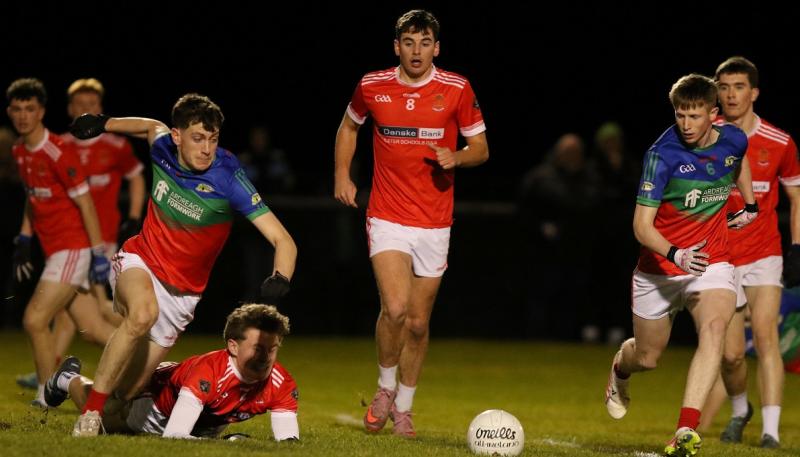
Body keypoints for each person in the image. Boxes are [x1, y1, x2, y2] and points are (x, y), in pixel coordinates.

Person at [68, 93, 297, 437]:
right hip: (141, 260)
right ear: (177, 136)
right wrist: (104, 123)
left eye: (213, 139)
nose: (207, 149)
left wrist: (281, 277)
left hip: (182, 296)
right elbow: (151, 127)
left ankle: (69, 382)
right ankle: (90, 414)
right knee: (142, 314)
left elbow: (283, 240)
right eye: (198, 138)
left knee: (123, 399)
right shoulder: (162, 148)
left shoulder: (227, 177)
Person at [334, 9, 488, 437]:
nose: (416, 51)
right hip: (387, 215)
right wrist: (342, 175)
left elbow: (481, 148)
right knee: (396, 308)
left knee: (418, 323)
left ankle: (404, 407)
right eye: (408, 42)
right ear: (396, 47)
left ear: (436, 48)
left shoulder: (456, 88)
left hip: (435, 222)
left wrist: (457, 157)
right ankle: (385, 387)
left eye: (424, 43)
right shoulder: (372, 85)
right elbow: (348, 128)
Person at [603, 73, 757, 456]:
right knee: (647, 358)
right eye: (680, 115)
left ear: (713, 114)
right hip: (659, 269)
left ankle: (685, 429)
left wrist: (749, 204)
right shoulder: (662, 155)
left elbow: (738, 162)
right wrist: (676, 253)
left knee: (715, 329)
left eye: (694, 116)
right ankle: (620, 369)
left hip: (711, 260)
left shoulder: (734, 138)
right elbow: (641, 227)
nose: (686, 124)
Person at [15, 77, 146, 390]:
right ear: (70, 108)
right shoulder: (56, 144)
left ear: (100, 107)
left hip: (101, 241)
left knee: (92, 311)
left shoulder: (114, 145)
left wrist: (132, 217)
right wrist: (25, 237)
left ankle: (143, 344)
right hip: (73, 241)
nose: (86, 109)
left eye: (92, 104)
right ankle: (52, 371)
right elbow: (35, 194)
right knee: (80, 317)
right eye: (80, 104)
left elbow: (137, 178)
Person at [705, 56, 800, 449]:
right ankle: (741, 409)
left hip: (764, 253)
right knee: (730, 356)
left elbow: (796, 197)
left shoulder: (779, 142)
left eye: (739, 87)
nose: (731, 95)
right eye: (724, 87)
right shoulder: (704, 134)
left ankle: (770, 432)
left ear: (754, 93)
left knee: (766, 337)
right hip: (721, 257)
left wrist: (796, 249)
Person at [45, 303, 299, 440]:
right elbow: (175, 435)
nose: (266, 358)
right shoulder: (210, 373)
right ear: (233, 346)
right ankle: (68, 379)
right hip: (159, 401)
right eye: (258, 349)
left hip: (204, 418)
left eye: (272, 349)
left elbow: (289, 443)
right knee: (105, 421)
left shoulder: (281, 383)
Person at [5, 78, 111, 407]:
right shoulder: (20, 150)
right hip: (56, 251)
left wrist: (97, 253)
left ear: (41, 112)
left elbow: (86, 204)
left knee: (34, 319)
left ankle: (45, 393)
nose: (23, 116)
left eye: (30, 109)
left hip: (72, 249)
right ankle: (148, 359)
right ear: (10, 112)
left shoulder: (57, 151)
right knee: (93, 328)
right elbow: (32, 197)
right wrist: (25, 237)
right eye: (17, 109)